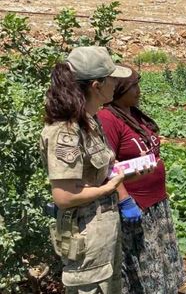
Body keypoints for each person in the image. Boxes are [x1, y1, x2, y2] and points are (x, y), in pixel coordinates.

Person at [40, 46, 130, 293]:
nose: (116, 84)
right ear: (96, 86)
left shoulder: (90, 120)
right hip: (86, 237)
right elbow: (64, 196)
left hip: (103, 232)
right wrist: (108, 188)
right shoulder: (66, 131)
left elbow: (96, 169)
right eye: (112, 79)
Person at [97, 67, 186, 294]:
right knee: (144, 265)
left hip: (156, 203)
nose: (139, 90)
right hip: (136, 205)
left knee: (162, 260)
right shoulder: (107, 118)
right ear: (118, 89)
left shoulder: (131, 113)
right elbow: (108, 166)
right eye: (133, 86)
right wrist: (125, 201)